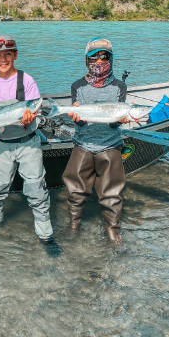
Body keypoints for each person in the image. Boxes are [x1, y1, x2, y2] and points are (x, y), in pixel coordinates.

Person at [0, 35, 56, 248]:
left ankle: (44, 230)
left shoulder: (27, 80)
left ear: (15, 56)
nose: (3, 59)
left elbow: (36, 107)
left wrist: (31, 115)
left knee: (36, 186)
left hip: (28, 142)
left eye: (7, 55)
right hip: (1, 144)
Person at [62, 38, 127, 245]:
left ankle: (112, 230)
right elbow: (78, 122)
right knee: (74, 188)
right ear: (86, 59)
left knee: (112, 193)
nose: (100, 61)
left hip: (110, 145)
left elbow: (115, 124)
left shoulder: (119, 86)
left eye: (105, 56)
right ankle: (74, 225)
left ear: (111, 58)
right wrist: (76, 118)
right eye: (95, 57)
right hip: (83, 144)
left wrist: (121, 118)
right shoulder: (77, 86)